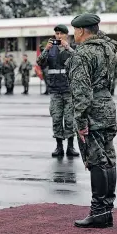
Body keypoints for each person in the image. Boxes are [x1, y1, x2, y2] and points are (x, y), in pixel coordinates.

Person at [67, 13, 117, 228]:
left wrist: (80, 123)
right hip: (107, 105)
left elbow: (81, 92)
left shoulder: (83, 54)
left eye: (75, 31)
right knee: (109, 157)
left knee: (97, 159)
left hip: (92, 110)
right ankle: (106, 209)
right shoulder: (107, 48)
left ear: (80, 31)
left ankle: (98, 212)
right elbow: (106, 38)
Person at [36, 25, 79, 157]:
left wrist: (68, 47)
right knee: (56, 118)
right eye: (56, 34)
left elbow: (79, 60)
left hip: (68, 89)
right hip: (55, 90)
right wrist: (46, 50)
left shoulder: (73, 48)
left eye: (61, 34)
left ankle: (70, 147)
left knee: (70, 119)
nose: (58, 36)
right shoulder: (51, 49)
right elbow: (40, 62)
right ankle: (59, 146)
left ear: (66, 35)